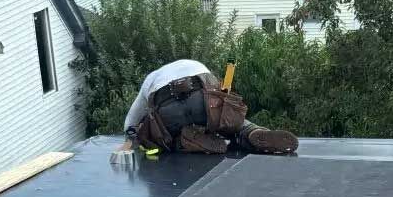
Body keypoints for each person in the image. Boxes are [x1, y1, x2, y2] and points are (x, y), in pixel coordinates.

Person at [124, 59, 298, 156]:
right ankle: (252, 132)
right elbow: (219, 94)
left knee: (164, 140)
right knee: (227, 121)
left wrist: (131, 139)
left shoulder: (151, 79)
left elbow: (130, 123)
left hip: (167, 107)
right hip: (201, 95)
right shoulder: (194, 64)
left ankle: (187, 141)